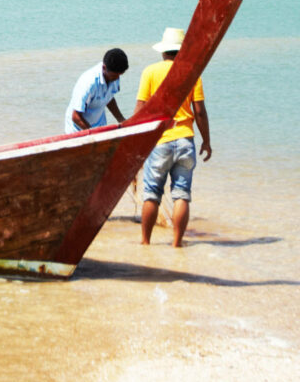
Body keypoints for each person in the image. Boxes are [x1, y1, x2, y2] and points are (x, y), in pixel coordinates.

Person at [135, 26, 211, 246]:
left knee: (151, 194)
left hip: (160, 141)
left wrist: (136, 141)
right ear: (182, 51)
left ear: (163, 51)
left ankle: (145, 242)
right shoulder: (192, 74)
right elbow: (199, 112)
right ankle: (177, 244)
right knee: (181, 194)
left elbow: (141, 109)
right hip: (185, 139)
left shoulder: (150, 72)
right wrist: (206, 140)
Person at [67, 47, 130, 132]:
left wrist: (121, 119)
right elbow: (75, 116)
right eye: (114, 76)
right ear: (104, 68)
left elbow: (109, 98)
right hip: (78, 130)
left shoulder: (114, 76)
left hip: (99, 127)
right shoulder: (89, 83)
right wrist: (93, 133)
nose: (117, 79)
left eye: (120, 75)